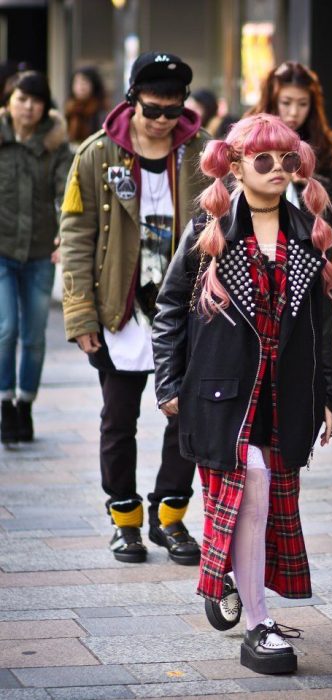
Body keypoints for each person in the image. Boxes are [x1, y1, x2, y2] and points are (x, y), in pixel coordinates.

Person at [152, 113, 332, 674]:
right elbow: (168, 310)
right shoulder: (208, 232)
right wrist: (168, 384)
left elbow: (320, 327)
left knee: (262, 500)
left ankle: (224, 574)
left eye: (288, 160)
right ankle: (258, 626)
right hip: (219, 395)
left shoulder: (308, 232)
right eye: (264, 160)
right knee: (251, 489)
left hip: (284, 398)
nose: (279, 170)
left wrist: (327, 395)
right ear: (234, 166)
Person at [60, 52, 210, 565]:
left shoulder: (204, 152)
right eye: (154, 109)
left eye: (174, 109)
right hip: (118, 311)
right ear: (132, 100)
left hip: (185, 312)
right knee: (118, 420)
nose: (164, 120)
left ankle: (171, 518)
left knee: (184, 420)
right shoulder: (96, 155)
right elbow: (76, 237)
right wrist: (81, 316)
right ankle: (124, 520)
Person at [0, 71, 72, 444]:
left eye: (35, 100)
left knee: (33, 335)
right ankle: (4, 402)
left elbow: (66, 192)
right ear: (9, 100)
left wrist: (66, 232)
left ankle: (25, 403)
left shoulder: (56, 144)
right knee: (6, 328)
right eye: (21, 98)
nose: (28, 107)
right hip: (2, 252)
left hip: (42, 252)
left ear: (45, 105)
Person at [248, 61, 332, 228]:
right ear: (273, 101)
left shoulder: (322, 141)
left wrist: (309, 179)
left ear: (312, 105)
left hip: (311, 241)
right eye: (286, 103)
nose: (294, 112)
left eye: (303, 104)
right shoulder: (250, 135)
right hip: (257, 234)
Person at [64, 66, 108, 147]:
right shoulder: (69, 110)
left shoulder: (100, 112)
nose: (81, 86)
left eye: (85, 82)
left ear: (93, 85)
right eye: (77, 82)